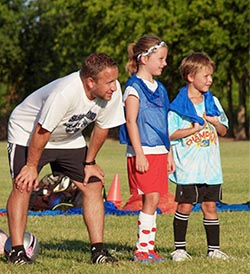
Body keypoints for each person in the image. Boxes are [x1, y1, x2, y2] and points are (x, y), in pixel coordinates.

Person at [6, 53, 125, 265]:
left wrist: (90, 163)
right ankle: (17, 252)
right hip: (29, 133)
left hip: (67, 138)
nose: (114, 87)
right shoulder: (64, 93)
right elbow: (42, 131)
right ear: (90, 81)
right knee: (23, 185)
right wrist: (31, 166)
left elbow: (102, 127)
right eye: (108, 82)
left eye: (115, 80)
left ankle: (98, 252)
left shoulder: (111, 91)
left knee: (93, 185)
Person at [168, 52, 229, 261]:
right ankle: (179, 249)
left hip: (210, 169)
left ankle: (214, 250)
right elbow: (170, 133)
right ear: (190, 76)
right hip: (188, 168)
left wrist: (215, 121)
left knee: (210, 206)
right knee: (185, 206)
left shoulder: (213, 102)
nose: (210, 80)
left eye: (211, 76)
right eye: (206, 76)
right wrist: (192, 131)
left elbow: (223, 130)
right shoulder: (178, 106)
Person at [119, 35, 175, 263]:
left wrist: (169, 152)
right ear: (144, 59)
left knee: (154, 199)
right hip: (143, 153)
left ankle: (148, 248)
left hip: (159, 151)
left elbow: (164, 123)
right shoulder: (133, 88)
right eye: (160, 59)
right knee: (150, 198)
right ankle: (142, 249)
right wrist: (139, 153)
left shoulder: (160, 88)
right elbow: (131, 121)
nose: (164, 63)